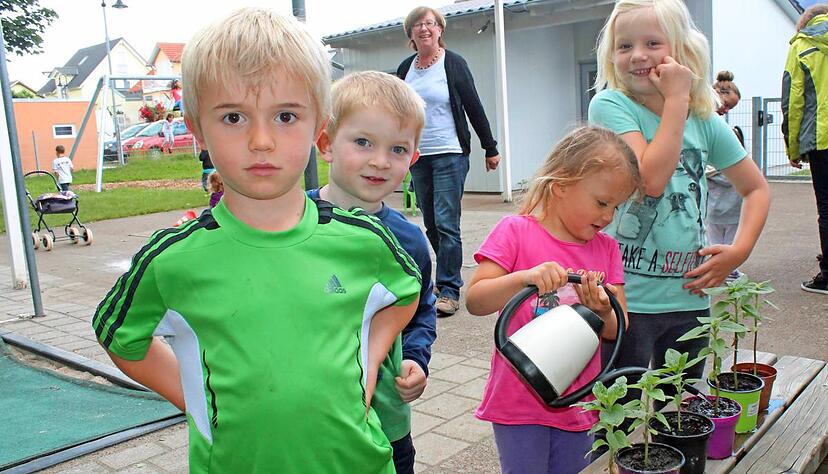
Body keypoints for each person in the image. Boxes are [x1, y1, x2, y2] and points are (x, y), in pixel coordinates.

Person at [91, 8, 421, 473]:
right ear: (197, 128)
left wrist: (367, 369)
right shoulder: (171, 260)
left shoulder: (364, 240)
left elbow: (406, 291)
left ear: (318, 128)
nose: (261, 140)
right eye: (233, 117)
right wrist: (196, 401)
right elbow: (118, 335)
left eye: (286, 115)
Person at [588, 0, 770, 397]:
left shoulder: (704, 119)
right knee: (618, 422)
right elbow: (650, 179)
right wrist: (676, 101)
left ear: (683, 52)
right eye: (624, 46)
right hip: (625, 303)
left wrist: (739, 251)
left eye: (653, 42)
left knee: (680, 413)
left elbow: (755, 188)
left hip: (690, 300)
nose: (637, 55)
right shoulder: (610, 105)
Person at [465, 126, 640, 474]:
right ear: (561, 185)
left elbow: (617, 329)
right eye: (601, 203)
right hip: (518, 399)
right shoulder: (515, 232)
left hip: (578, 401)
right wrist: (523, 277)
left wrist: (603, 308)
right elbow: (476, 299)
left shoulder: (606, 249)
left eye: (616, 208)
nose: (607, 218)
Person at [309, 71, 437, 474]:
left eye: (398, 149)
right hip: (307, 420)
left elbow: (421, 311)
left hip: (384, 424)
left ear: (413, 159)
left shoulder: (410, 243)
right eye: (363, 142)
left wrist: (416, 358)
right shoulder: (291, 225)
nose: (380, 161)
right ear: (326, 144)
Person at [397, 6, 501, 316]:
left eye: (430, 23)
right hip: (419, 155)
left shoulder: (453, 64)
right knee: (430, 222)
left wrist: (490, 147)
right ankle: (444, 280)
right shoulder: (405, 69)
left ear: (440, 30)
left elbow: (473, 105)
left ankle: (450, 288)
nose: (424, 28)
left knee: (446, 222)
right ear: (411, 34)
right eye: (417, 24)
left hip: (450, 152)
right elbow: (400, 112)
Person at [782, 3, 828, 295]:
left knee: (827, 206)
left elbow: (794, 100)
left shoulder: (802, 45)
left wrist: (793, 144)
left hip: (821, 139)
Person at [708, 71, 746, 281]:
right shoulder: (711, 125)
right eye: (727, 105)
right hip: (723, 197)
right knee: (721, 238)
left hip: (718, 199)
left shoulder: (720, 126)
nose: (725, 110)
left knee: (717, 236)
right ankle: (724, 270)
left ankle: (723, 268)